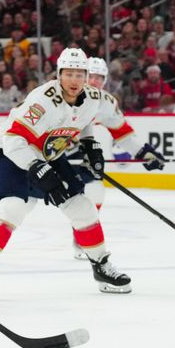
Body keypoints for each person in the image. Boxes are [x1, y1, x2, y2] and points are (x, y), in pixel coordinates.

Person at [0, 49, 165, 300]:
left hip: (49, 153)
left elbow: (113, 126)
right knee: (13, 208)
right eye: (68, 74)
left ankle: (101, 266)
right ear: (59, 75)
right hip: (11, 152)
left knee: (83, 207)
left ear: (87, 76)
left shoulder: (95, 98)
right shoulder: (43, 100)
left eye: (79, 74)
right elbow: (14, 139)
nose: (74, 80)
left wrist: (142, 151)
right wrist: (37, 168)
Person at [66, 57, 167, 259]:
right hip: (46, 151)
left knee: (95, 191)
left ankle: (82, 237)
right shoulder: (62, 95)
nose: (94, 81)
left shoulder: (105, 103)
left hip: (78, 153)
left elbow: (123, 133)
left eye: (99, 78)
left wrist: (143, 153)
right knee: (24, 201)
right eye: (91, 76)